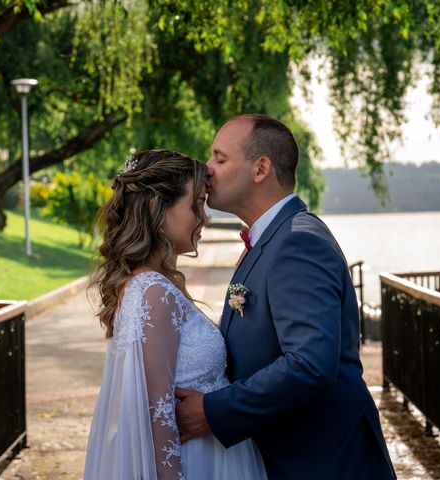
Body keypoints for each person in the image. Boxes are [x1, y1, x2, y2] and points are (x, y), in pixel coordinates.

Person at [175, 115, 397, 479]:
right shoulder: (270, 240)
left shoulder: (297, 241)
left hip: (325, 464)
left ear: (260, 168)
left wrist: (214, 411)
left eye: (220, 158)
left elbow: (310, 362)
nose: (207, 170)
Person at [83, 150, 267, 479]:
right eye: (195, 205)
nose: (204, 219)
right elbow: (156, 414)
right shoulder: (153, 292)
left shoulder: (157, 286)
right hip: (195, 464)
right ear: (156, 207)